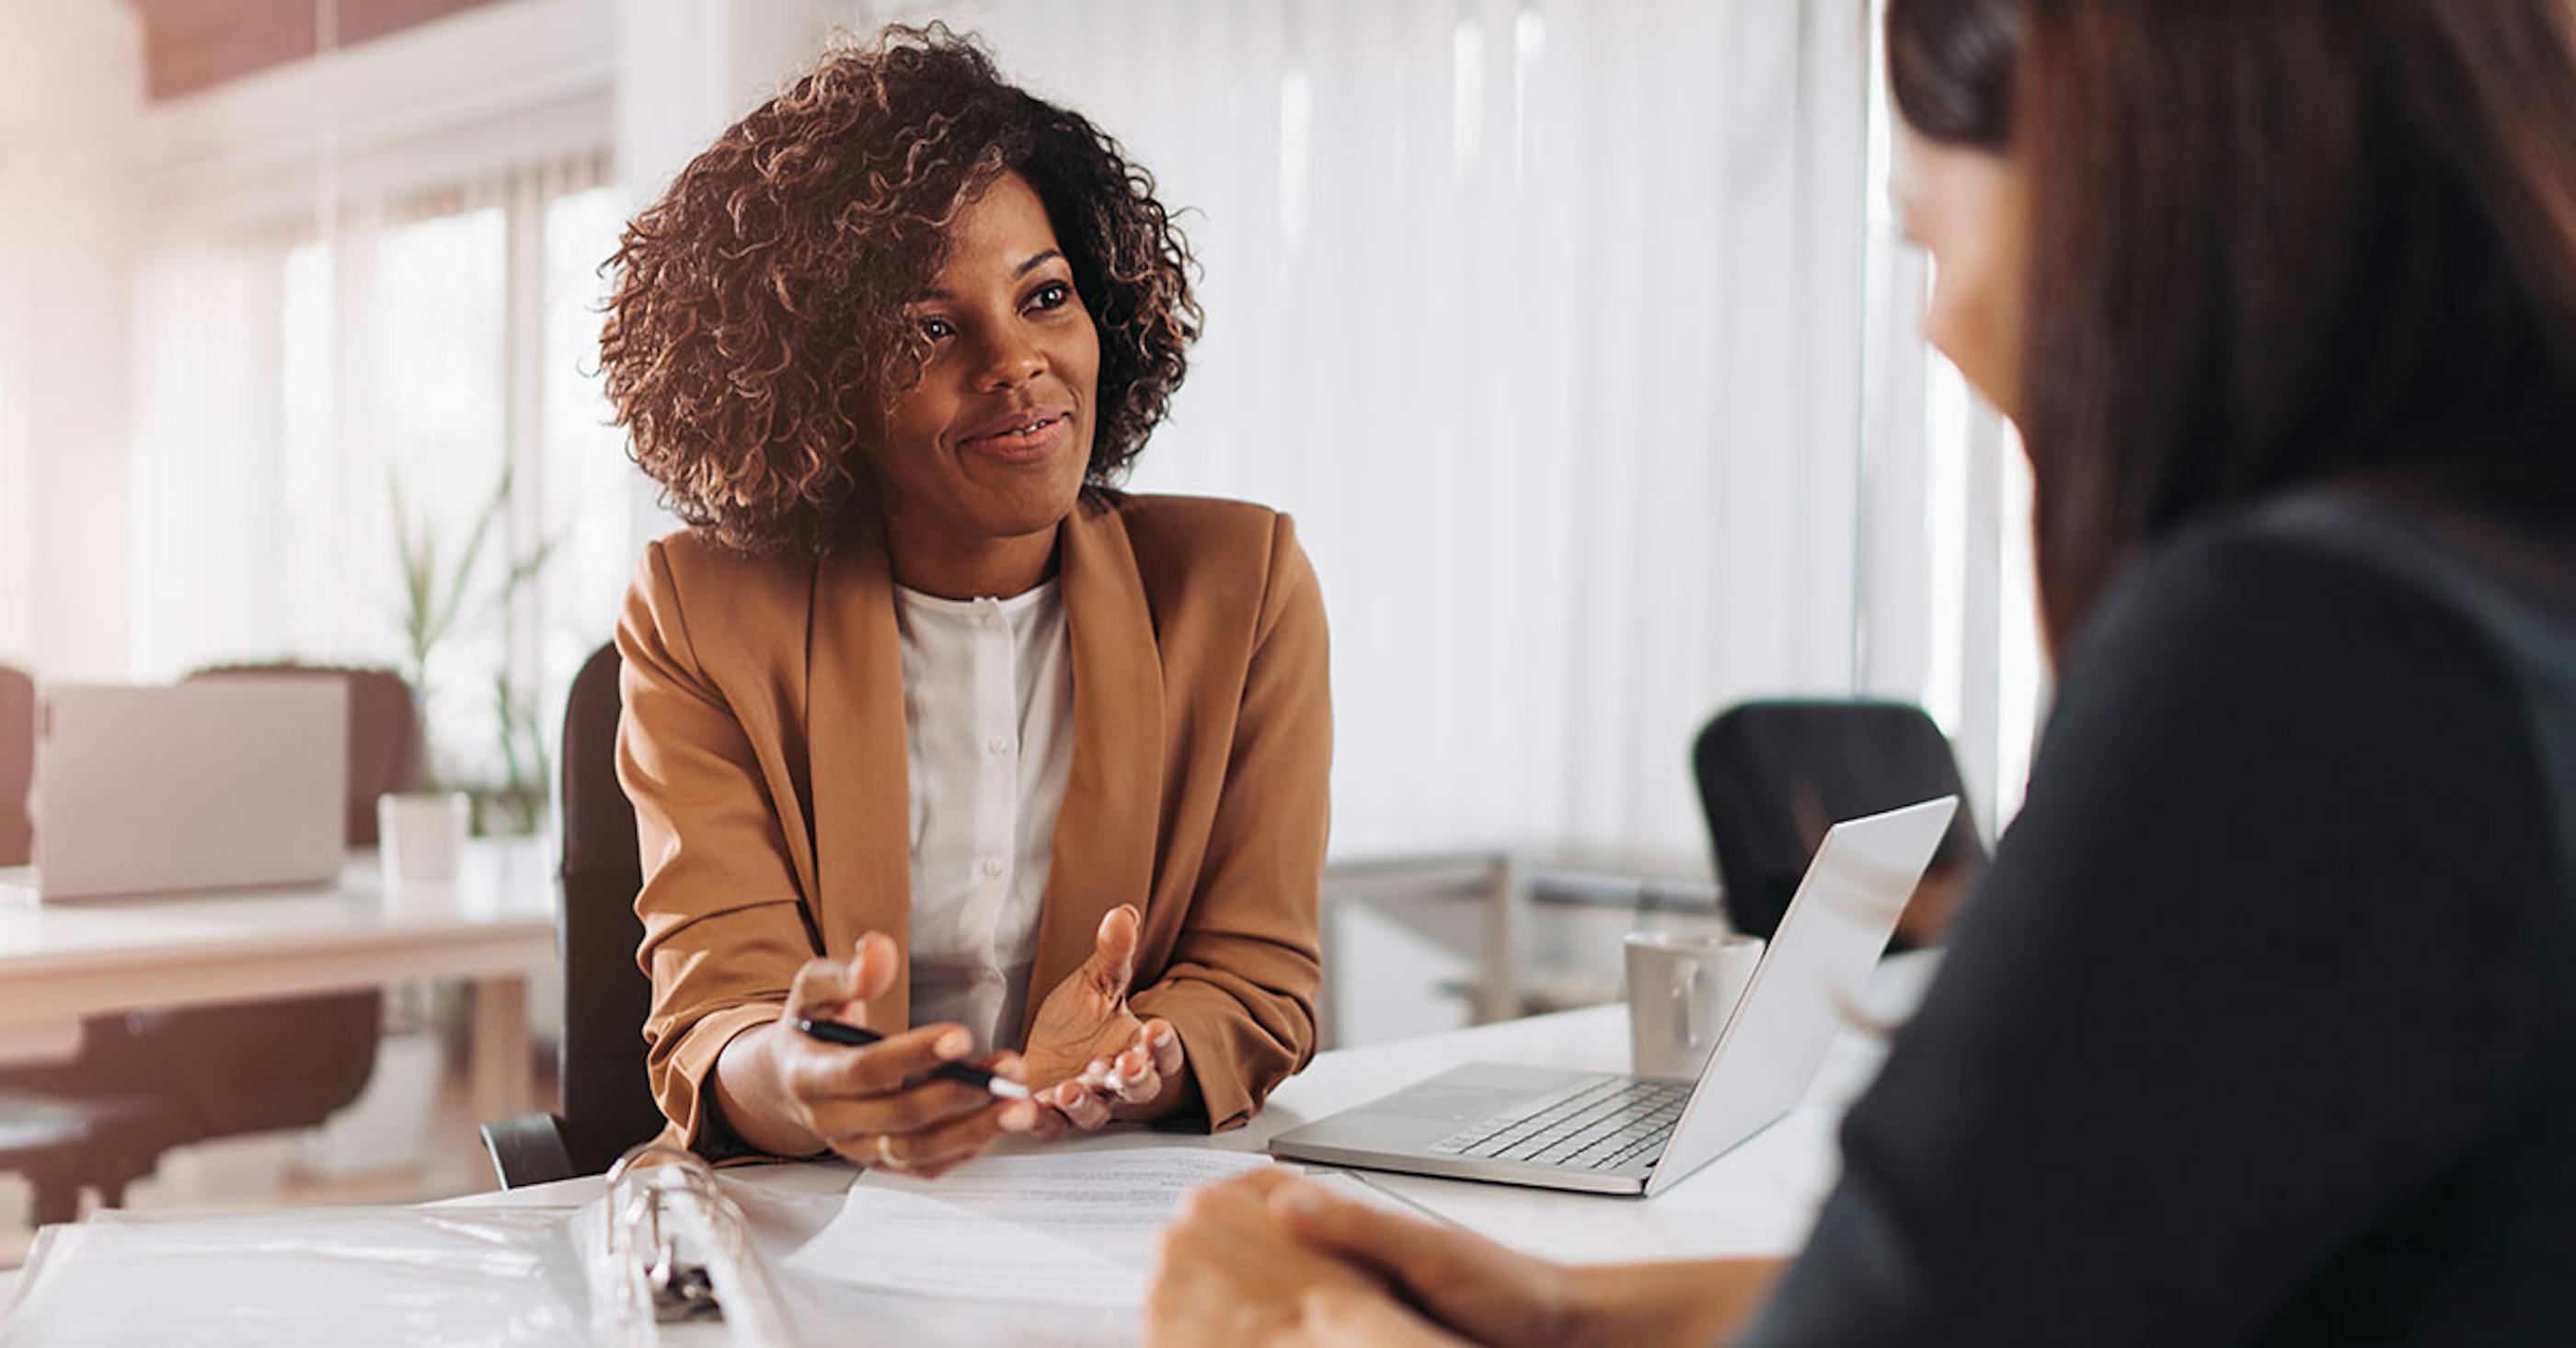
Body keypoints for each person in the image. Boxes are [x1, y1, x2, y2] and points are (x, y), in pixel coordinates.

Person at [1149, 0, 2576, 1341]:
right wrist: (1568, 1314)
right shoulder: (2491, 597)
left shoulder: (2305, 659)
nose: (1940, 325)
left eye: (1927, 237)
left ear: (2129, 187)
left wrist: (1304, 1323)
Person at [601, 26, 1330, 1177]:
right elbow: (719, 1012)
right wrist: (811, 1081)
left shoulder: (1239, 588)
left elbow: (1258, 974)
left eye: (1044, 296)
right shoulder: (701, 610)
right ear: (817, 380)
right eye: (931, 329)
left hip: (1113, 1211)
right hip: (813, 1218)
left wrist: (1147, 1056)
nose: (1015, 362)